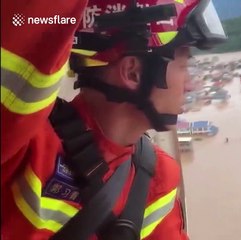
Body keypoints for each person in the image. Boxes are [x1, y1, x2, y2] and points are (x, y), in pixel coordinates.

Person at [1, 0, 227, 239]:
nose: (191, 85)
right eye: (183, 65)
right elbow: (29, 17)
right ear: (133, 72)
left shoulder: (158, 177)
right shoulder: (23, 143)